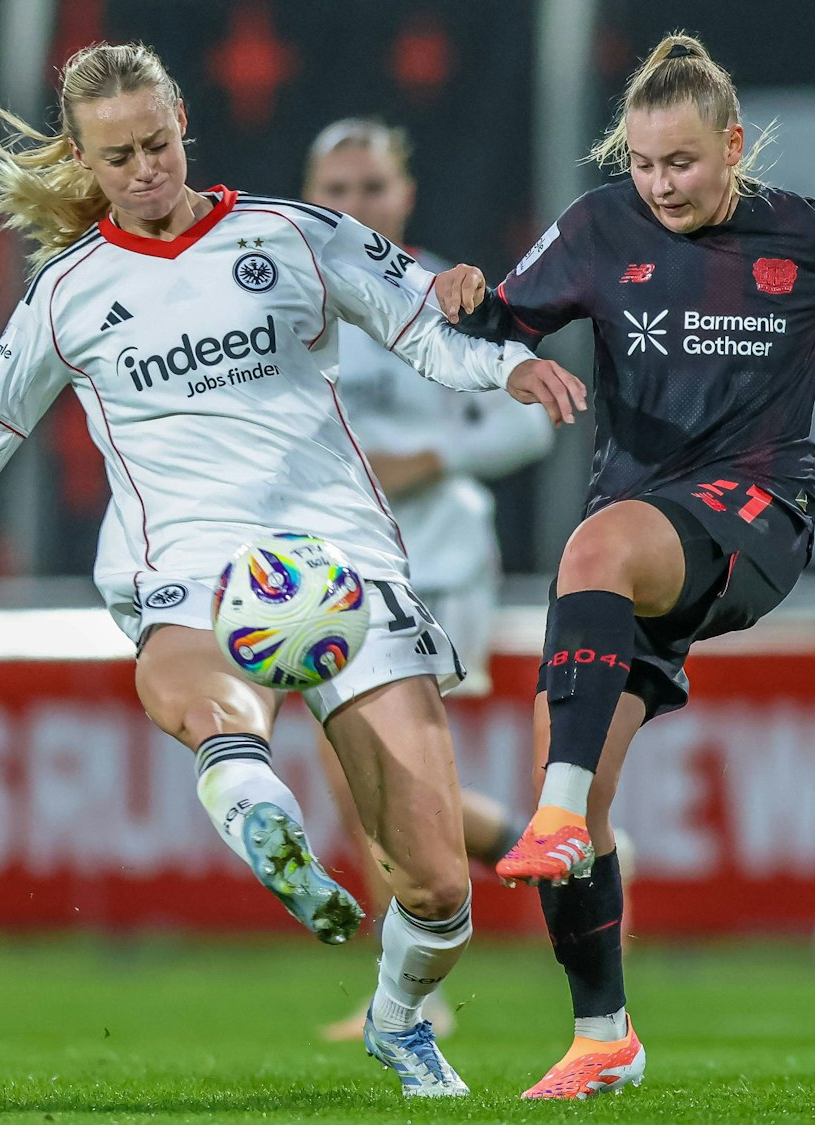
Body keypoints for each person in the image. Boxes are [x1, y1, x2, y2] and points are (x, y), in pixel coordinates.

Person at [0, 42, 585, 1099]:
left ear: (183, 120)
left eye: (155, 144)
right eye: (116, 157)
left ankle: (395, 1018)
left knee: (431, 885)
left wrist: (509, 364)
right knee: (200, 689)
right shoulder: (67, 295)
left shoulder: (292, 234)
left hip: (349, 564)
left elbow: (427, 329)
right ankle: (253, 803)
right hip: (193, 562)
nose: (143, 169)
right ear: (83, 159)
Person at [436, 32, 815, 1100]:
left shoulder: (807, 235)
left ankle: (555, 815)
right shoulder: (596, 228)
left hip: (757, 515)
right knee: (571, 774)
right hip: (637, 552)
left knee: (590, 560)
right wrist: (463, 297)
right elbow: (496, 321)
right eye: (641, 165)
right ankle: (601, 1035)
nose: (660, 185)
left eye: (679, 162)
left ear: (729, 147)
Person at [297, 117, 555, 1041]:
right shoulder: (283, 297)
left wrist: (429, 454)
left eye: (371, 188)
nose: (352, 206)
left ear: (403, 197)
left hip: (431, 564)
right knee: (362, 780)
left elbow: (531, 416)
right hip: (331, 573)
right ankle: (555, 854)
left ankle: (415, 995)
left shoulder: (439, 291)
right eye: (335, 190)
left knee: (371, 770)